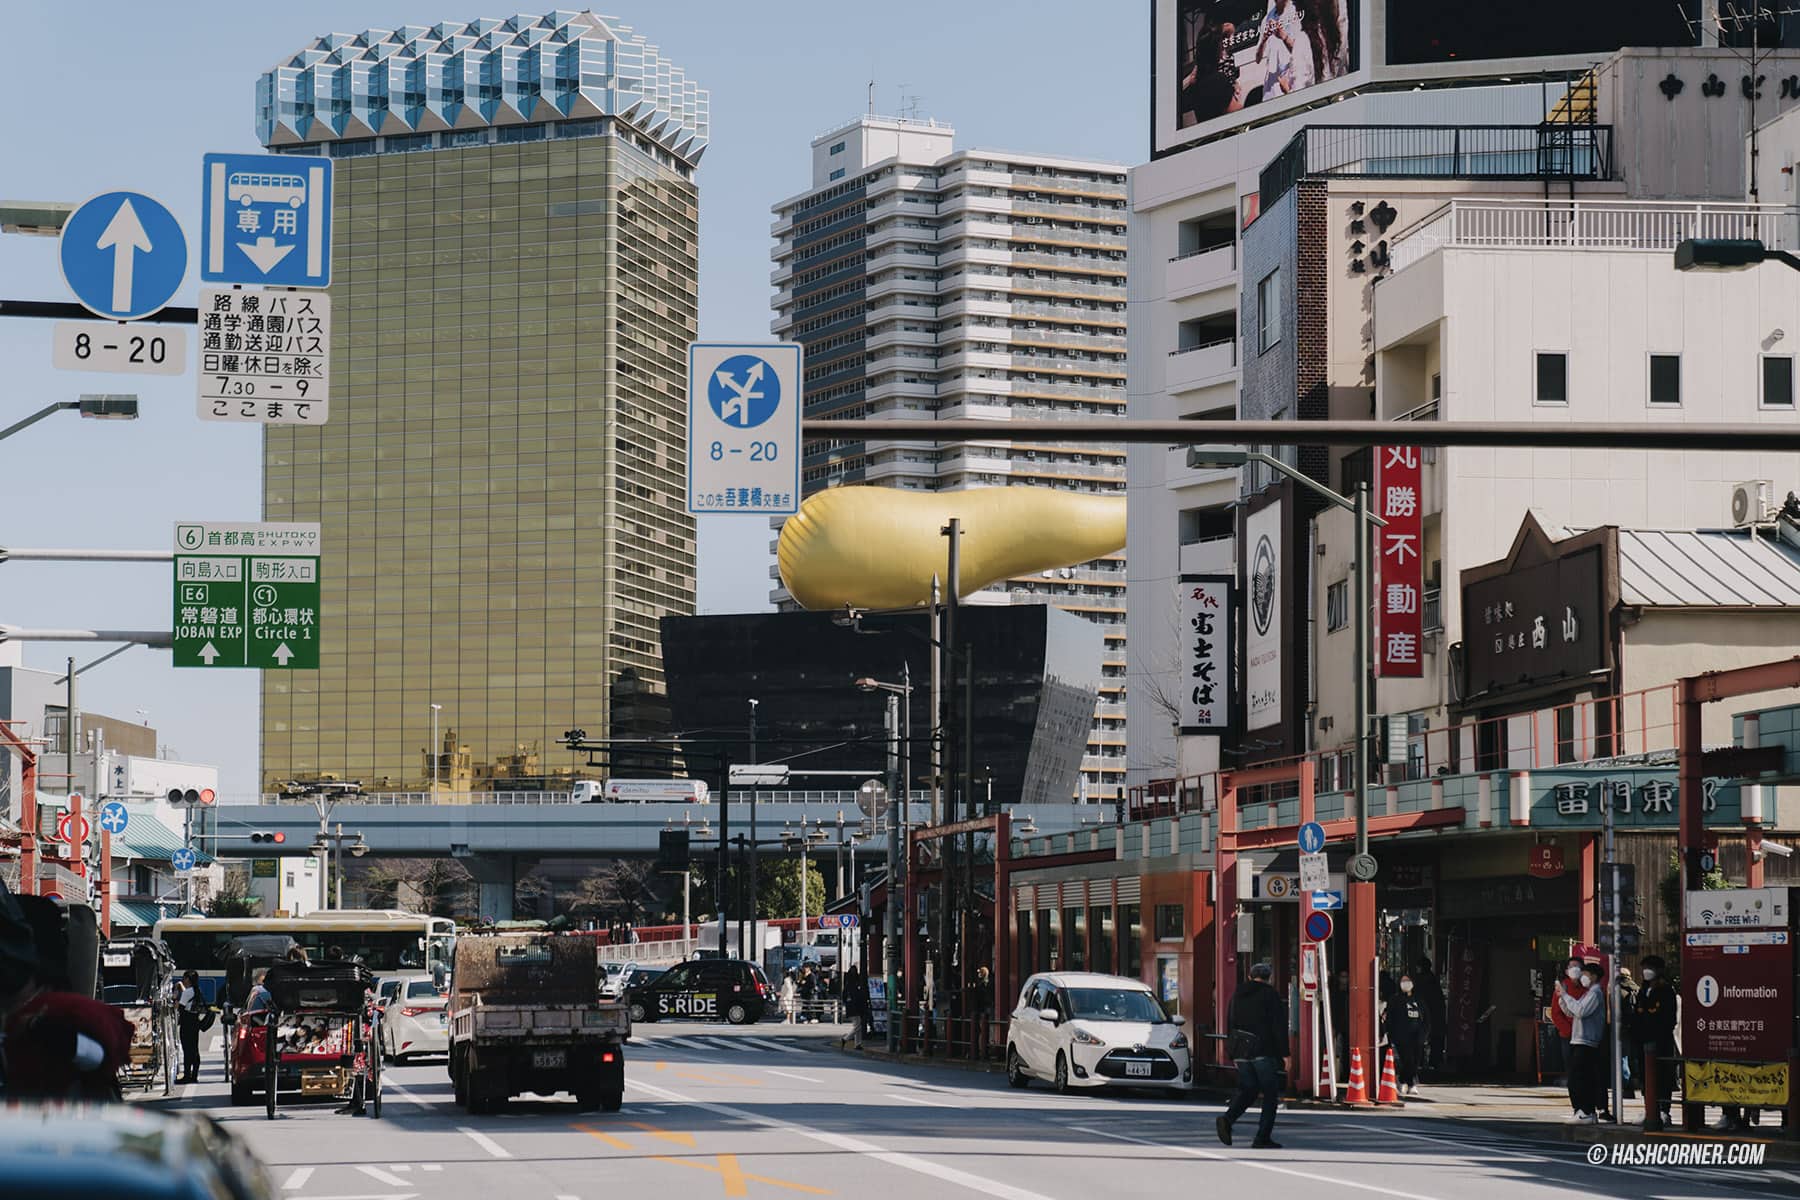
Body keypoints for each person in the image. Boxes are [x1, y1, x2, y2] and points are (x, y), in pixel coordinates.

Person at [1217, 962, 1288, 1149]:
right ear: (1269, 978)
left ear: (1249, 976)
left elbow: (1229, 1021)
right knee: (1270, 1094)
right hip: (1262, 1050)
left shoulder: (1237, 995)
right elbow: (1278, 1026)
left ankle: (1228, 1118)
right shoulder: (1270, 995)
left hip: (1240, 1050)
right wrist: (1285, 1055)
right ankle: (1262, 1137)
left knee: (1249, 1089)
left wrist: (1231, 1050)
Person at [1631, 954, 1678, 1125]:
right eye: (1644, 968)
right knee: (1646, 1077)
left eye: (1649, 968)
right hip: (1643, 1040)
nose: (1646, 972)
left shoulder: (1666, 990)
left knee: (1663, 1076)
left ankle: (1664, 1111)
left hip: (1661, 1040)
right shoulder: (1643, 990)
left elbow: (1669, 1018)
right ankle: (1649, 1109)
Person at [1557, 959, 1605, 1123]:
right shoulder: (1589, 992)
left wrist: (1565, 995)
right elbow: (1573, 1012)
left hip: (1587, 1041)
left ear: (1593, 976)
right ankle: (1583, 1110)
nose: (1582, 977)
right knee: (1579, 1077)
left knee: (1580, 1077)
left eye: (1584, 974)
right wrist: (1562, 999)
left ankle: (1586, 1111)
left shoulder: (1595, 992)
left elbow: (1580, 1011)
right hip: (1580, 1039)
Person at [1547, 955, 1587, 1116]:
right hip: (1568, 1037)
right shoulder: (1562, 987)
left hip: (1586, 1037)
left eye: (1577, 966)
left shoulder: (1589, 988)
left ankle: (1591, 1107)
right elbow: (1556, 1014)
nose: (1574, 969)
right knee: (1572, 1072)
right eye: (1571, 967)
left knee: (1587, 1072)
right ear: (1566, 970)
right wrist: (1568, 1032)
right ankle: (1577, 1107)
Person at [1387, 972, 1430, 1096]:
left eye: (1408, 980)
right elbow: (1390, 1018)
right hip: (1401, 1036)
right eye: (1403, 981)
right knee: (1407, 1059)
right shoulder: (1395, 1000)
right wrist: (1391, 1034)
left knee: (1416, 1060)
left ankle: (1402, 1079)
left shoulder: (1419, 1000)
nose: (1406, 983)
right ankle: (1410, 1083)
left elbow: (1426, 1018)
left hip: (1417, 1036)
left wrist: (1425, 1034)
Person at [1412, 957, 1446, 1069]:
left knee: (1419, 1037)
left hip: (1424, 1013)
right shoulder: (1432, 979)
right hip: (1435, 1013)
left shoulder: (1420, 980)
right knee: (1435, 1038)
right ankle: (1434, 1061)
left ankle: (1419, 1061)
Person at [1614, 966, 1640, 1101]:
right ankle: (1636, 1083)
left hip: (1622, 1028)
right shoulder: (1637, 989)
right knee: (1634, 1057)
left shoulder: (1617, 991)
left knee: (1622, 1057)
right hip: (1637, 1029)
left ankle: (1626, 1086)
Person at [176, 970, 205, 1084]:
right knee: (194, 1049)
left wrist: (175, 1000)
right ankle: (194, 1075)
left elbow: (181, 1007)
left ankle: (187, 1075)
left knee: (187, 1049)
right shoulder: (197, 990)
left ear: (188, 979)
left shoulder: (187, 992)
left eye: (184, 978)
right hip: (195, 1021)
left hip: (187, 1022)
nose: (183, 979)